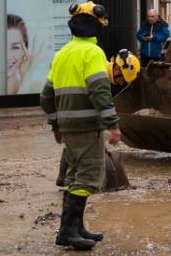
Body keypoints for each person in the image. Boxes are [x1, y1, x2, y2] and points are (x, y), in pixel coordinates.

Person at [40, 1, 121, 251]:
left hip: (69, 129)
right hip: (87, 127)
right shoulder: (93, 53)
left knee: (74, 177)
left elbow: (46, 95)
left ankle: (76, 228)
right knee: (87, 178)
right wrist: (113, 125)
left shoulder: (62, 53)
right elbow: (99, 90)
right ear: (97, 27)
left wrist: (56, 125)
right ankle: (67, 232)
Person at [56, 49, 140, 188]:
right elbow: (104, 103)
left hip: (67, 107)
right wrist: (114, 128)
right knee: (82, 144)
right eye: (122, 79)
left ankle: (63, 179)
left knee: (73, 142)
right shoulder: (101, 75)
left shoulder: (98, 64)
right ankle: (72, 187)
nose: (120, 83)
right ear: (118, 68)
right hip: (76, 109)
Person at [6, 14, 42, 95]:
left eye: (15, 47)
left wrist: (26, 76)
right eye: (1, 47)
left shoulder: (37, 88)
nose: (8, 56)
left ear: (25, 49)